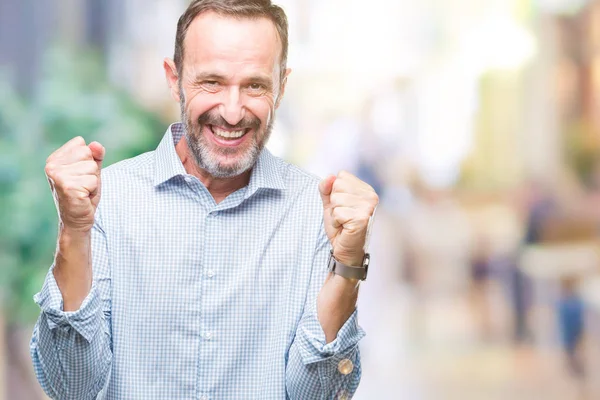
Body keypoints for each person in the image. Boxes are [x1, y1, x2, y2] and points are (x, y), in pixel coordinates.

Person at [29, 1, 378, 399]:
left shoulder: (317, 212)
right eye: (211, 82)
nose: (232, 112)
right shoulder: (106, 202)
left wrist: (347, 267)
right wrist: (74, 232)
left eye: (254, 85)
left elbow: (316, 395)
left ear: (281, 86)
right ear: (174, 79)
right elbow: (72, 388)